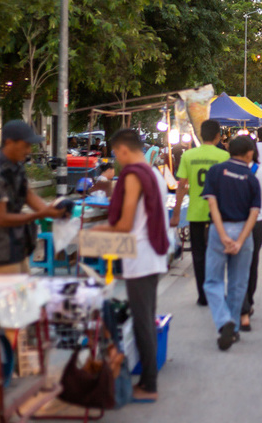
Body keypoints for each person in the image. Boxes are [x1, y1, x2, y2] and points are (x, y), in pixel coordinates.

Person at [93, 129, 170, 403]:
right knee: (145, 318)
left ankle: (149, 385)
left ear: (123, 150)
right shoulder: (155, 174)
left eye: (115, 154)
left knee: (142, 323)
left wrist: (94, 233)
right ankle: (148, 379)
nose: (116, 160)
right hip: (153, 254)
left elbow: (124, 225)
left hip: (142, 257)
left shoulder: (135, 175)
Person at [0, 120, 67, 274]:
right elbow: (2, 218)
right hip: (0, 251)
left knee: (23, 294)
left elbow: (27, 194)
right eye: (25, 145)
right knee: (4, 297)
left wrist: (50, 211)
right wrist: (41, 214)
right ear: (10, 142)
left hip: (19, 245)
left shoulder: (16, 165)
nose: (29, 150)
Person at [201, 136, 261, 351]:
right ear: (249, 154)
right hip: (243, 232)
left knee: (212, 281)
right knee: (238, 283)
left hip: (220, 231)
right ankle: (233, 327)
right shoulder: (251, 178)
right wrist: (240, 239)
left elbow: (212, 204)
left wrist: (222, 234)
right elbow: (254, 213)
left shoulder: (216, 172)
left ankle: (223, 320)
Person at [171, 120, 229, 305]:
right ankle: (217, 292)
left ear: (201, 135)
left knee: (198, 255)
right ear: (218, 136)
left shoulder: (188, 155)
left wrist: (176, 213)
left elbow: (181, 186)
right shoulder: (224, 156)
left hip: (195, 213)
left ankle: (202, 295)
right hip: (218, 215)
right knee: (217, 254)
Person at [240, 137, 262, 332]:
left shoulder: (228, 169)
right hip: (257, 221)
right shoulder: (261, 172)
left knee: (236, 264)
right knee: (252, 262)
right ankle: (248, 301)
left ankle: (241, 303)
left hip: (235, 221)